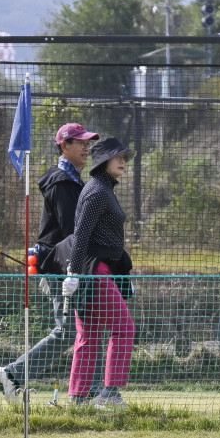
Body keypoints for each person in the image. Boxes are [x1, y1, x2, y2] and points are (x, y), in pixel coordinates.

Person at [0, 123, 100, 402]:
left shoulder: (73, 181)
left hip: (69, 265)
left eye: (88, 143)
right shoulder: (61, 182)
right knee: (68, 331)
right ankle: (13, 374)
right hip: (63, 267)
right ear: (64, 146)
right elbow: (70, 231)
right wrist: (76, 268)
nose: (87, 148)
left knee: (86, 328)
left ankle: (92, 391)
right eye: (81, 143)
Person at [62, 136, 137, 410]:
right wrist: (73, 272)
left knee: (90, 333)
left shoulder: (103, 189)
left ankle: (79, 399)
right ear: (104, 160)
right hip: (94, 271)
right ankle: (110, 394)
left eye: (125, 158)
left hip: (97, 270)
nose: (123, 162)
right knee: (124, 328)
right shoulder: (97, 191)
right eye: (118, 157)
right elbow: (81, 234)